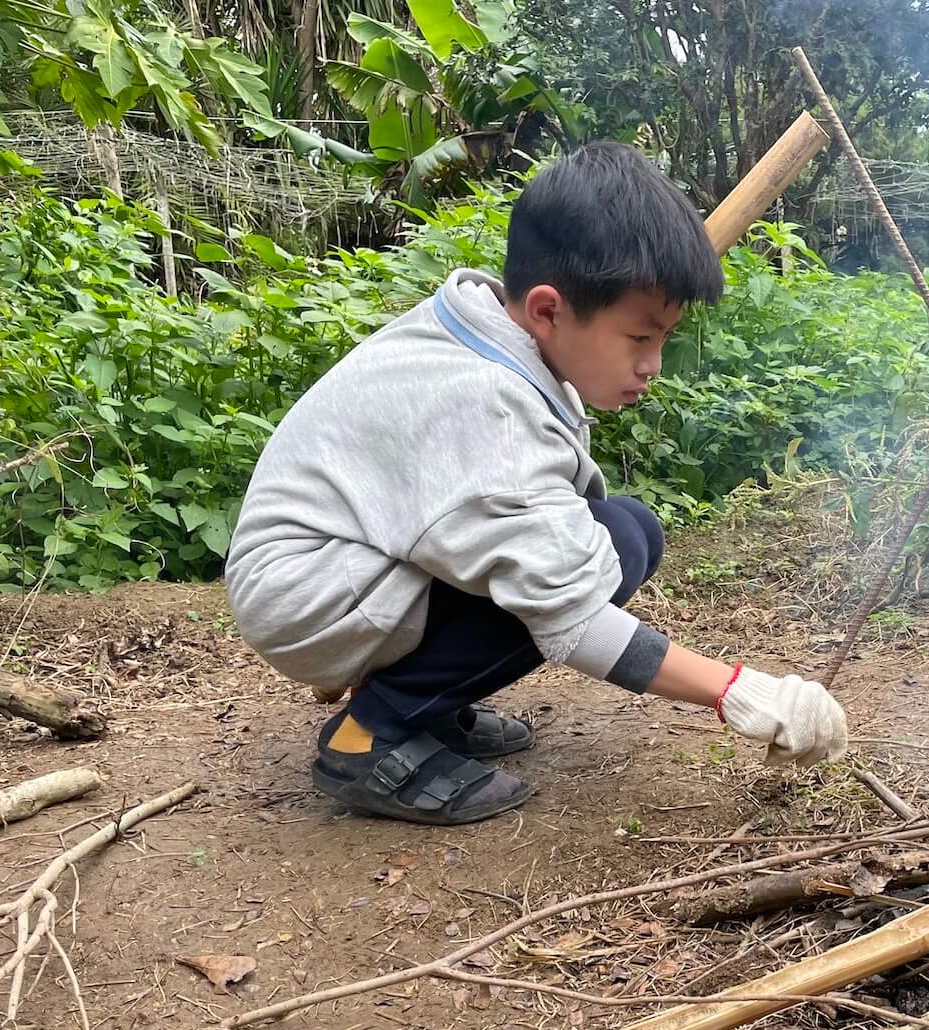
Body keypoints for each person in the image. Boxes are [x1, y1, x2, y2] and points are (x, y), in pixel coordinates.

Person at [226, 142, 849, 825]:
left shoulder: (491, 333)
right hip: (311, 598)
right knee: (588, 558)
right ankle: (371, 732)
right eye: (640, 337)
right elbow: (571, 615)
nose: (653, 364)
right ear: (549, 310)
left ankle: (427, 701)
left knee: (625, 531)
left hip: (350, 570)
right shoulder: (484, 402)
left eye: (663, 337)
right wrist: (738, 690)